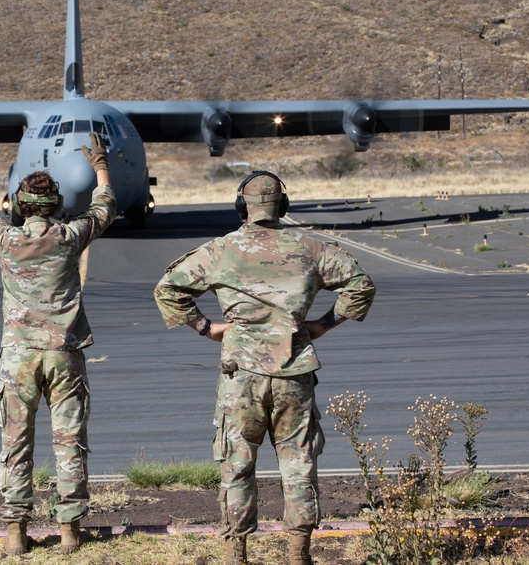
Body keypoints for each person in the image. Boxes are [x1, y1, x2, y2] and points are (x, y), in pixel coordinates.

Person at [153, 171, 376, 565]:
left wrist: (207, 328)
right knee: (298, 462)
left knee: (237, 464)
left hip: (242, 377)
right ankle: (298, 552)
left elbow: (168, 288)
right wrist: (322, 325)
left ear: (243, 208)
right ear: (283, 207)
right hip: (295, 372)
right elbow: (360, 284)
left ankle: (236, 553)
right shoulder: (310, 248)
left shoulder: (221, 250)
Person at [0, 129, 116, 555]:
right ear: (56, 207)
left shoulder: (7, 240)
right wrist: (101, 167)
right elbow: (104, 207)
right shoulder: (69, 238)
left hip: (19, 356)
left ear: (20, 208)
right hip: (64, 354)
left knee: (15, 443)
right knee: (70, 441)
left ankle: (15, 532)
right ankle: (69, 531)